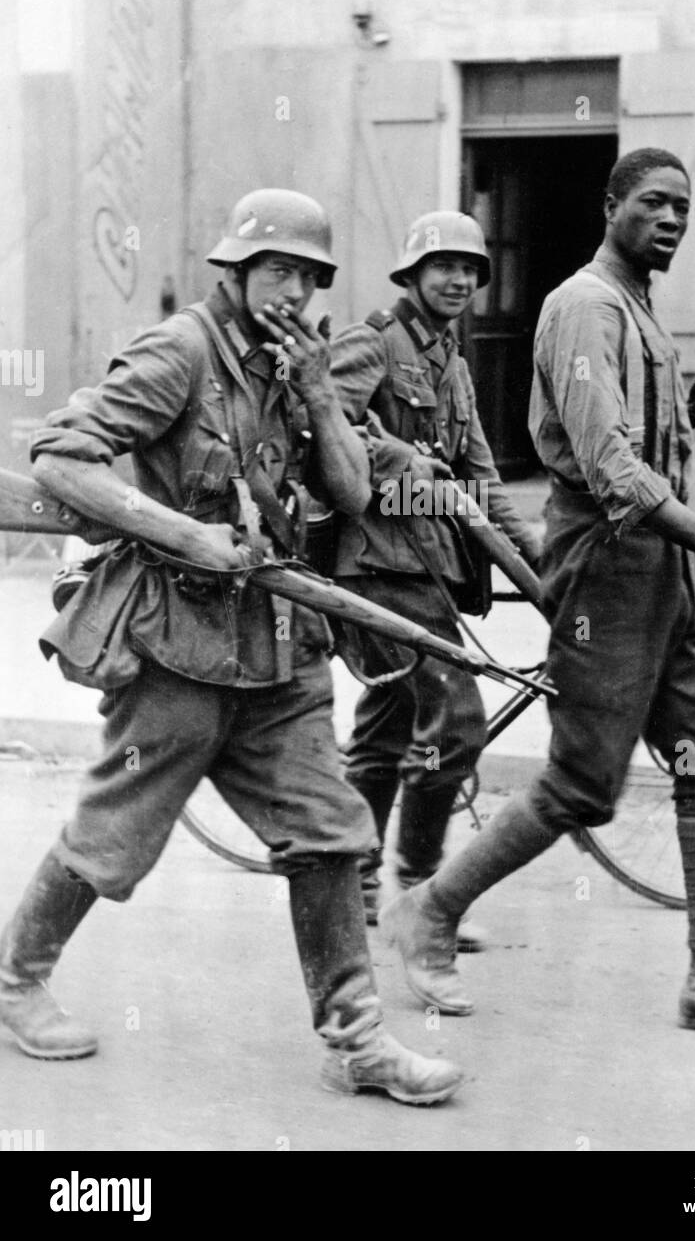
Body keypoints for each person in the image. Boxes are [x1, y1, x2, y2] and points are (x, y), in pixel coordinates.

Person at [0, 189, 462, 1106]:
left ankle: (359, 1041)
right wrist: (183, 533)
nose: (291, 289)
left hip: (279, 650)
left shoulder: (300, 364)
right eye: (275, 270)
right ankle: (16, 980)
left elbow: (352, 496)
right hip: (176, 643)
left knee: (330, 831)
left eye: (307, 275)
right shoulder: (181, 351)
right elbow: (60, 456)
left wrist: (323, 398)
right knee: (116, 833)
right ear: (238, 271)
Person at [380, 149, 695, 1036]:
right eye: (653, 203)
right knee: (586, 781)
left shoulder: (640, 314)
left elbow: (643, 442)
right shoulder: (581, 306)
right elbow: (611, 468)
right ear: (611, 205)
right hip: (610, 564)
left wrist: (694, 412)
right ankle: (428, 909)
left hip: (667, 564)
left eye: (684, 209)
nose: (671, 220)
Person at [328, 211, 541, 947]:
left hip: (428, 569)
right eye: (442, 267)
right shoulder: (373, 342)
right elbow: (314, 424)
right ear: (412, 275)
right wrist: (395, 460)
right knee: (456, 721)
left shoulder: (451, 362)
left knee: (388, 729)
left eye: (469, 270)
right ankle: (421, 894)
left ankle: (354, 890)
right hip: (376, 565)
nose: (457, 280)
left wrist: (539, 557)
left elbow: (481, 476)